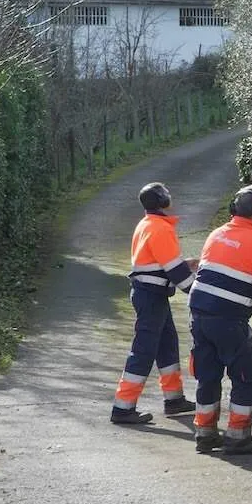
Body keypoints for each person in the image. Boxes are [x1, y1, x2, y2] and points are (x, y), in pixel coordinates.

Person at [186, 185, 252, 455]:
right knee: (249, 375)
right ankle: (237, 436)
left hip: (198, 314)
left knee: (208, 374)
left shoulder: (216, 234)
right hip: (229, 318)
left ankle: (204, 434)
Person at [111, 182, 198, 425]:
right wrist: (198, 292)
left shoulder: (147, 224)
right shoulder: (160, 228)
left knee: (167, 345)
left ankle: (174, 400)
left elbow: (160, 262)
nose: (171, 196)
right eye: (167, 193)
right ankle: (123, 407)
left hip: (151, 295)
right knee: (143, 351)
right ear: (162, 200)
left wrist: (185, 263)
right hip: (151, 296)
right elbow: (173, 270)